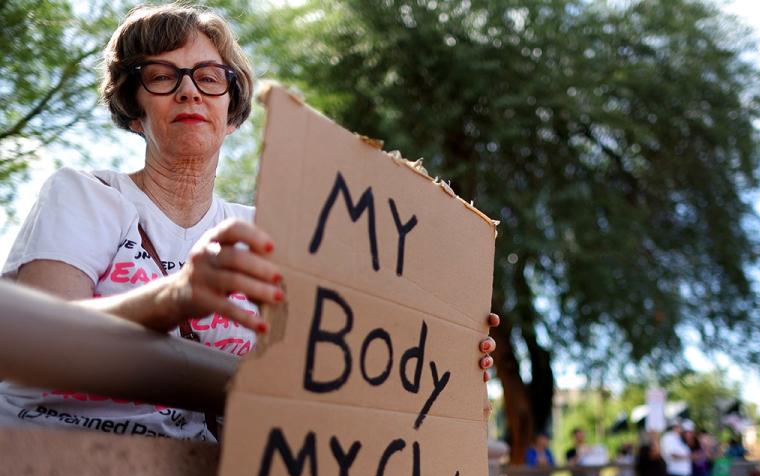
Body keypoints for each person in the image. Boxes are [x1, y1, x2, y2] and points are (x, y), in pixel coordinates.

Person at [0, 3, 497, 440]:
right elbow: (41, 341)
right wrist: (175, 297)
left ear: (232, 110)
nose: (189, 92)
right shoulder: (85, 195)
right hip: (53, 466)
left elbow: (339, 363)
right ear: (133, 108)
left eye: (209, 77)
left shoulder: (270, 231)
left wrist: (442, 353)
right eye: (161, 75)